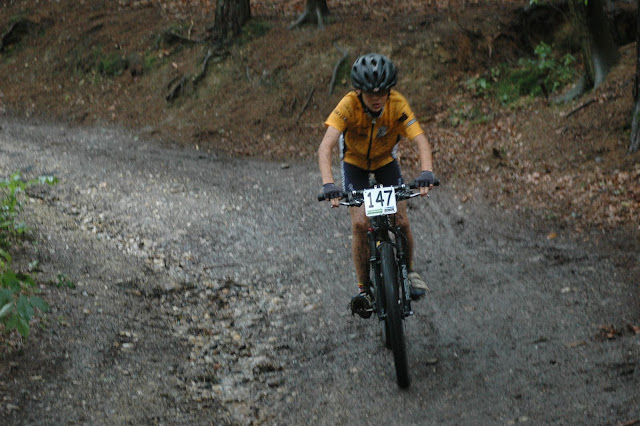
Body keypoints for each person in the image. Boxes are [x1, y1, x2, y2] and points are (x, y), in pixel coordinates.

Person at [318, 53, 436, 316]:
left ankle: (409, 271)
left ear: (389, 90)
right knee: (360, 224)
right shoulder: (348, 105)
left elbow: (420, 140)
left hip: (385, 162)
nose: (376, 98)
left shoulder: (398, 104)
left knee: (401, 220)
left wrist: (426, 171)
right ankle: (364, 290)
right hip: (354, 163)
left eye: (382, 92)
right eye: (370, 92)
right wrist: (328, 184)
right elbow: (325, 146)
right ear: (358, 91)